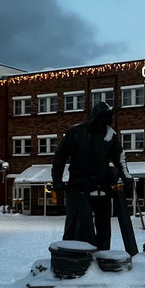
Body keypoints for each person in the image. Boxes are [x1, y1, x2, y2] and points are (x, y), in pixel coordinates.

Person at [52, 101, 132, 250]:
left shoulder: (110, 135)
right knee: (77, 225)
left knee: (103, 227)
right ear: (94, 117)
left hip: (102, 186)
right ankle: (73, 256)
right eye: (102, 118)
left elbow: (119, 157)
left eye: (108, 119)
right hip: (79, 186)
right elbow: (60, 156)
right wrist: (57, 179)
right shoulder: (77, 132)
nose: (105, 122)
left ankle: (102, 254)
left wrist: (126, 176)